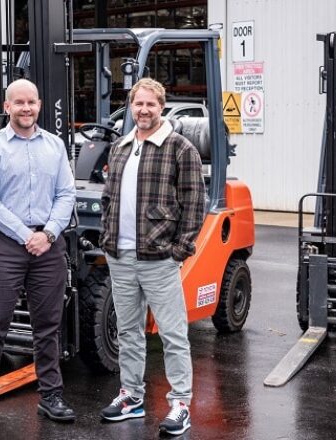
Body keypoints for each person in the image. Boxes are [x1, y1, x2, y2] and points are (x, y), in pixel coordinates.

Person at [98, 78, 204, 436]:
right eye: (138, 104)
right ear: (131, 106)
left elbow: (194, 204)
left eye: (151, 105)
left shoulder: (179, 148)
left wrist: (180, 250)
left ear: (162, 107)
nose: (144, 110)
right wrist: (107, 237)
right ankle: (132, 396)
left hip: (158, 257)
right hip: (120, 255)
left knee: (173, 334)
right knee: (128, 331)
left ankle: (180, 404)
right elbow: (109, 199)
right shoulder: (120, 147)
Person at [0, 78, 76, 430]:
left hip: (48, 243)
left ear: (40, 105)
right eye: (19, 103)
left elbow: (66, 194)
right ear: (7, 107)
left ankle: (51, 396)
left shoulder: (55, 146)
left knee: (47, 327)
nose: (26, 108)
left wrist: (47, 233)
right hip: (4, 243)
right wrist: (25, 235)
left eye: (31, 102)